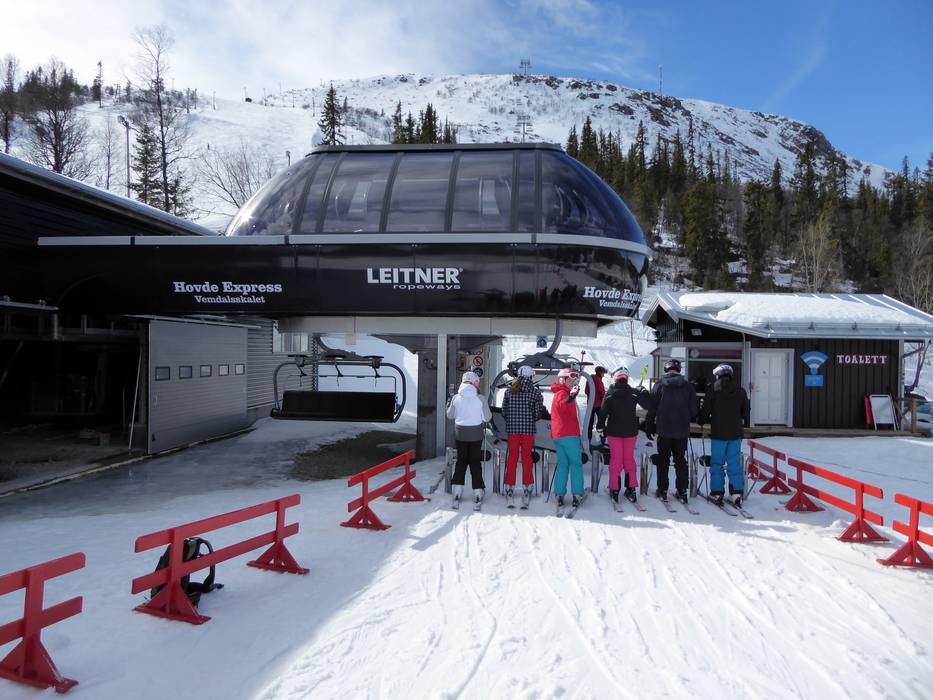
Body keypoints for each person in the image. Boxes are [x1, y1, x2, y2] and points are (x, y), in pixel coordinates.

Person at [645, 358, 699, 505]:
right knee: (680, 459)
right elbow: (694, 409)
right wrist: (686, 415)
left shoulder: (659, 385)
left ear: (666, 369)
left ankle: (662, 489)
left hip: (664, 429)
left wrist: (649, 424)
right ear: (679, 369)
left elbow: (652, 407)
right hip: (681, 429)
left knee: (663, 459)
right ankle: (682, 490)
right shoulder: (688, 386)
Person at [597, 367, 651, 504]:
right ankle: (631, 489)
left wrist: (600, 428)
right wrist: (643, 392)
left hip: (614, 432)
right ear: (626, 379)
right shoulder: (633, 393)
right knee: (628, 459)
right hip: (630, 432)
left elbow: (602, 413)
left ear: (615, 378)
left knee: (616, 460)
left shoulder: (610, 394)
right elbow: (648, 405)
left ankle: (614, 489)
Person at [699, 364, 750, 507]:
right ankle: (736, 493)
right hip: (735, 433)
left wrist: (701, 420)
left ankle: (717, 492)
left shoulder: (713, 390)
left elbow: (706, 410)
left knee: (717, 463)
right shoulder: (740, 391)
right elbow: (746, 411)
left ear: (718, 375)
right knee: (734, 463)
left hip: (718, 433)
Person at [447, 371, 492, 509]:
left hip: (460, 434)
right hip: (476, 434)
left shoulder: (456, 398)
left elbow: (450, 415)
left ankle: (457, 489)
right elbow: (487, 418)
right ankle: (478, 491)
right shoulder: (480, 399)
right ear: (474, 382)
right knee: (475, 462)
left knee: (461, 461)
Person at [501, 365, 544, 505]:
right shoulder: (536, 393)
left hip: (512, 430)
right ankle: (528, 485)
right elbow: (538, 414)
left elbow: (504, 411)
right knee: (527, 457)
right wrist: (530, 419)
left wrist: (511, 420)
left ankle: (509, 485)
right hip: (528, 430)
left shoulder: (509, 391)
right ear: (531, 376)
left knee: (512, 457)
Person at [550, 367, 585, 510]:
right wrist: (570, 397)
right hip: (569, 435)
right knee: (576, 464)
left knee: (563, 464)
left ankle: (559, 493)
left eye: (574, 380)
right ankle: (577, 493)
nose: (572, 382)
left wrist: (571, 396)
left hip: (559, 435)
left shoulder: (560, 393)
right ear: (562, 379)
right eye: (570, 379)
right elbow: (563, 404)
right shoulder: (562, 393)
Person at [584, 366, 607, 444]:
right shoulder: (598, 380)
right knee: (601, 422)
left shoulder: (589, 379)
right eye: (603, 373)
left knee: (589, 422)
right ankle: (603, 438)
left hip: (590, 405)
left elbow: (586, 391)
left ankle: (588, 439)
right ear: (600, 373)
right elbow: (602, 393)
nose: (603, 375)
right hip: (598, 405)